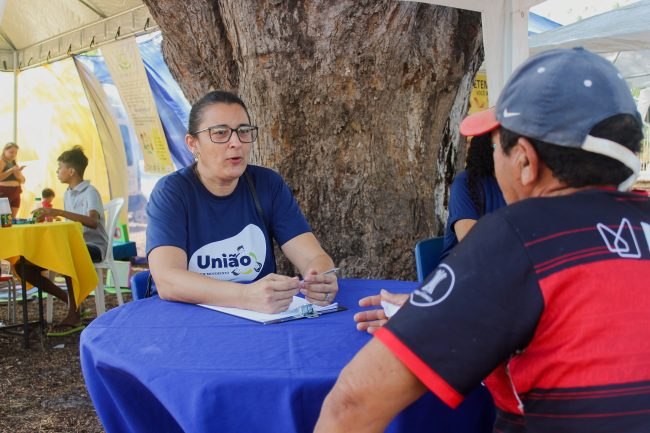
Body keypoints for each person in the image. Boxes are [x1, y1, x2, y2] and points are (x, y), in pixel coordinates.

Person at [315, 47, 650, 432]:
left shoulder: (519, 237)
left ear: (524, 161)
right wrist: (456, 304)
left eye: (494, 146)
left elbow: (352, 403)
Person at [146, 90, 337, 313]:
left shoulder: (267, 184)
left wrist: (321, 278)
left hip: (261, 321)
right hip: (188, 322)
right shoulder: (172, 191)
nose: (236, 142)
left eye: (243, 131)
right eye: (220, 133)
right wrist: (244, 296)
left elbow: (314, 257)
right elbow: (168, 280)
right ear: (193, 143)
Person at [18, 146, 109, 330]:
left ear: (71, 171)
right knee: (23, 265)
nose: (57, 171)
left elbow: (92, 221)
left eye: (60, 167)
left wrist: (57, 211)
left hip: (94, 247)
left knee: (67, 252)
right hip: (73, 245)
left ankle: (74, 314)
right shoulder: (68, 193)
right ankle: (70, 301)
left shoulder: (90, 192)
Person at [439, 128, 506, 260]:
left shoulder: (519, 183)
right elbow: (471, 245)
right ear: (486, 149)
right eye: (504, 146)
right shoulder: (464, 183)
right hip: (464, 271)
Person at [0, 142, 26, 218]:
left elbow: (23, 181)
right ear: (5, 151)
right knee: (4, 220)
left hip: (16, 192)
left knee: (12, 219)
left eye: (15, 152)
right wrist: (10, 170)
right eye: (11, 152)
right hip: (4, 192)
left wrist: (19, 176)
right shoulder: (2, 161)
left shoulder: (14, 163)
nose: (13, 154)